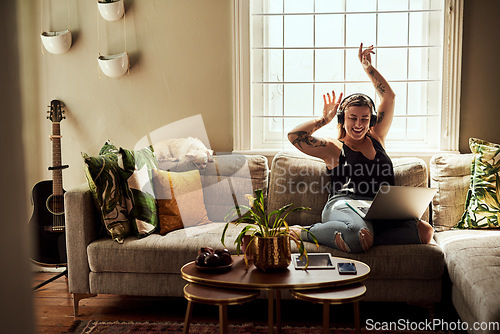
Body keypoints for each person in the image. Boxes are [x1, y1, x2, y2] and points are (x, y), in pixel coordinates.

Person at [287, 43, 434, 253]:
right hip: (344, 205)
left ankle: (364, 237)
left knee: (425, 232)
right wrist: (323, 119)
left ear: (371, 119)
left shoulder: (377, 137)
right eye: (352, 118)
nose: (358, 124)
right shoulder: (333, 148)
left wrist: (368, 69)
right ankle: (303, 232)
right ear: (342, 118)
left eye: (364, 119)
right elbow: (295, 136)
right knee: (358, 234)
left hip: (377, 210)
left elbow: (389, 98)